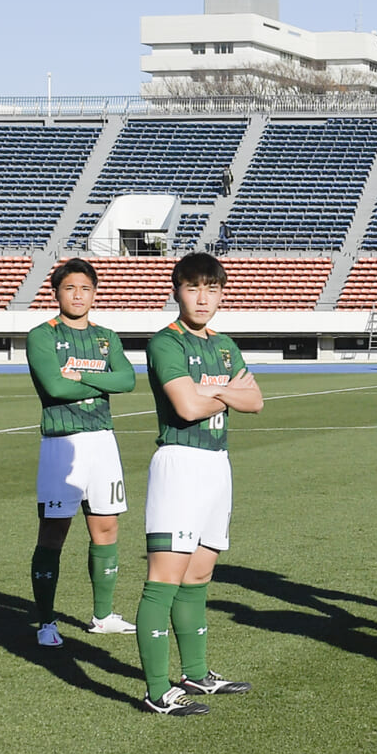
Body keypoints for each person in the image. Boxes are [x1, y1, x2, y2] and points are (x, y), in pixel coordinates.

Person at [136, 252, 264, 717]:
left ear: (222, 293)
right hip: (180, 463)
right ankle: (155, 690)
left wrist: (208, 391)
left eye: (211, 288)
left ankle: (195, 672)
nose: (202, 297)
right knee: (163, 579)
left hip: (218, 464)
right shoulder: (165, 344)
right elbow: (186, 409)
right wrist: (226, 393)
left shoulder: (225, 344)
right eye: (193, 288)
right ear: (176, 291)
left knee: (199, 576)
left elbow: (256, 401)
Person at [27, 258, 137, 647]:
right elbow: (54, 389)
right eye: (70, 287)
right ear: (56, 291)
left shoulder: (107, 336)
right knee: (54, 532)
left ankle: (103, 616)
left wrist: (81, 376)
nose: (78, 295)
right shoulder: (42, 335)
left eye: (86, 288)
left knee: (106, 527)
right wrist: (100, 382)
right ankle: (45, 621)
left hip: (103, 440)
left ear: (95, 292)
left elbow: (127, 379)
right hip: (62, 442)